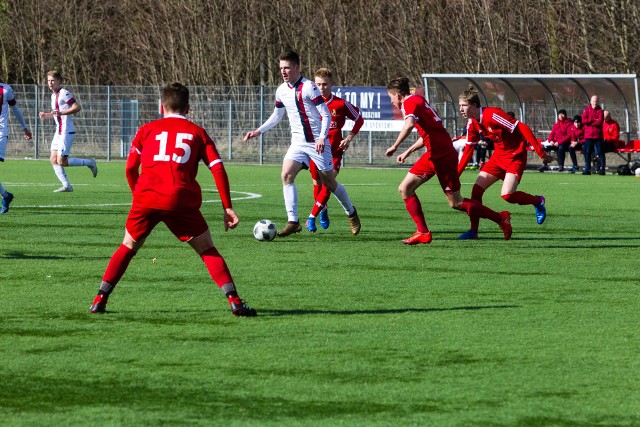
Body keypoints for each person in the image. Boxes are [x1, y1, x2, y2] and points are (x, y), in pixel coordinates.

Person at [89, 82, 256, 317]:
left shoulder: (146, 130)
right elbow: (218, 169)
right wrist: (227, 207)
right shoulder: (197, 133)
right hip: (180, 199)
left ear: (161, 106)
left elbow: (129, 168)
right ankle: (235, 302)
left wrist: (137, 195)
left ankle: (99, 300)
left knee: (127, 246)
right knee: (207, 248)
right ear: (188, 108)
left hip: (146, 197)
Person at [243, 51, 361, 237]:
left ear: (296, 68)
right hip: (298, 143)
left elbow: (326, 114)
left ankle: (351, 213)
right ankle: (293, 221)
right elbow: (277, 115)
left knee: (330, 184)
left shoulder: (309, 87)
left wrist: (322, 137)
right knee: (286, 175)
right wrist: (259, 130)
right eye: (281, 68)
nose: (283, 71)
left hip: (316, 143)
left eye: (287, 67)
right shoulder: (281, 90)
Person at [384, 77, 512, 245]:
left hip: (442, 155)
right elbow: (429, 133)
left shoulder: (410, 103)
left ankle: (500, 218)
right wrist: (408, 151)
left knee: (456, 202)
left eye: (391, 97)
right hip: (433, 154)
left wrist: (395, 146)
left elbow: (408, 125)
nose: (391, 101)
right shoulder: (419, 100)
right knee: (405, 188)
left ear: (398, 95)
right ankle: (423, 232)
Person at [457, 86, 553, 239]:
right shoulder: (472, 124)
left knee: (507, 195)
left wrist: (540, 151)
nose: (460, 109)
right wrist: (456, 175)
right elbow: (468, 151)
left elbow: (521, 127)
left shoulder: (492, 115)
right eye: (460, 105)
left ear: (474, 106)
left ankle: (537, 201)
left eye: (463, 105)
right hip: (498, 158)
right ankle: (474, 231)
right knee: (476, 191)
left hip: (515, 157)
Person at [305, 67, 364, 232]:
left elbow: (359, 119)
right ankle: (323, 209)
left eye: (324, 84)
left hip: (334, 153)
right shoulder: (310, 104)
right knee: (317, 183)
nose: (321, 88)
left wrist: (349, 138)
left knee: (329, 184)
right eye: (318, 85)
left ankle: (312, 216)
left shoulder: (340, 104)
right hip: (314, 151)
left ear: (331, 84)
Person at [39, 70, 97, 192]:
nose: (50, 83)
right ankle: (66, 186)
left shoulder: (64, 93)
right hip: (58, 132)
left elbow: (76, 107)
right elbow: (57, 114)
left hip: (66, 131)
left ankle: (90, 162)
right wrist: (47, 115)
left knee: (62, 161)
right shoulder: (53, 95)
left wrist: (61, 113)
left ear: (59, 81)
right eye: (48, 81)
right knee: (53, 159)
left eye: (53, 81)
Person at [0, 81, 32, 214]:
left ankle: (6, 196)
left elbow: (16, 108)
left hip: (0, 134)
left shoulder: (6, 89)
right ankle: (6, 196)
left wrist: (25, 128)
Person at [581, 95, 604, 175]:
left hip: (598, 136)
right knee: (587, 153)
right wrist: (593, 119)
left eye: (596, 101)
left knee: (600, 152)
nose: (595, 103)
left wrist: (590, 122)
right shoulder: (586, 110)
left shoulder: (600, 111)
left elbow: (600, 122)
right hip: (588, 136)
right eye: (594, 101)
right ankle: (587, 169)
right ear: (591, 102)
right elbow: (584, 121)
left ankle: (602, 169)